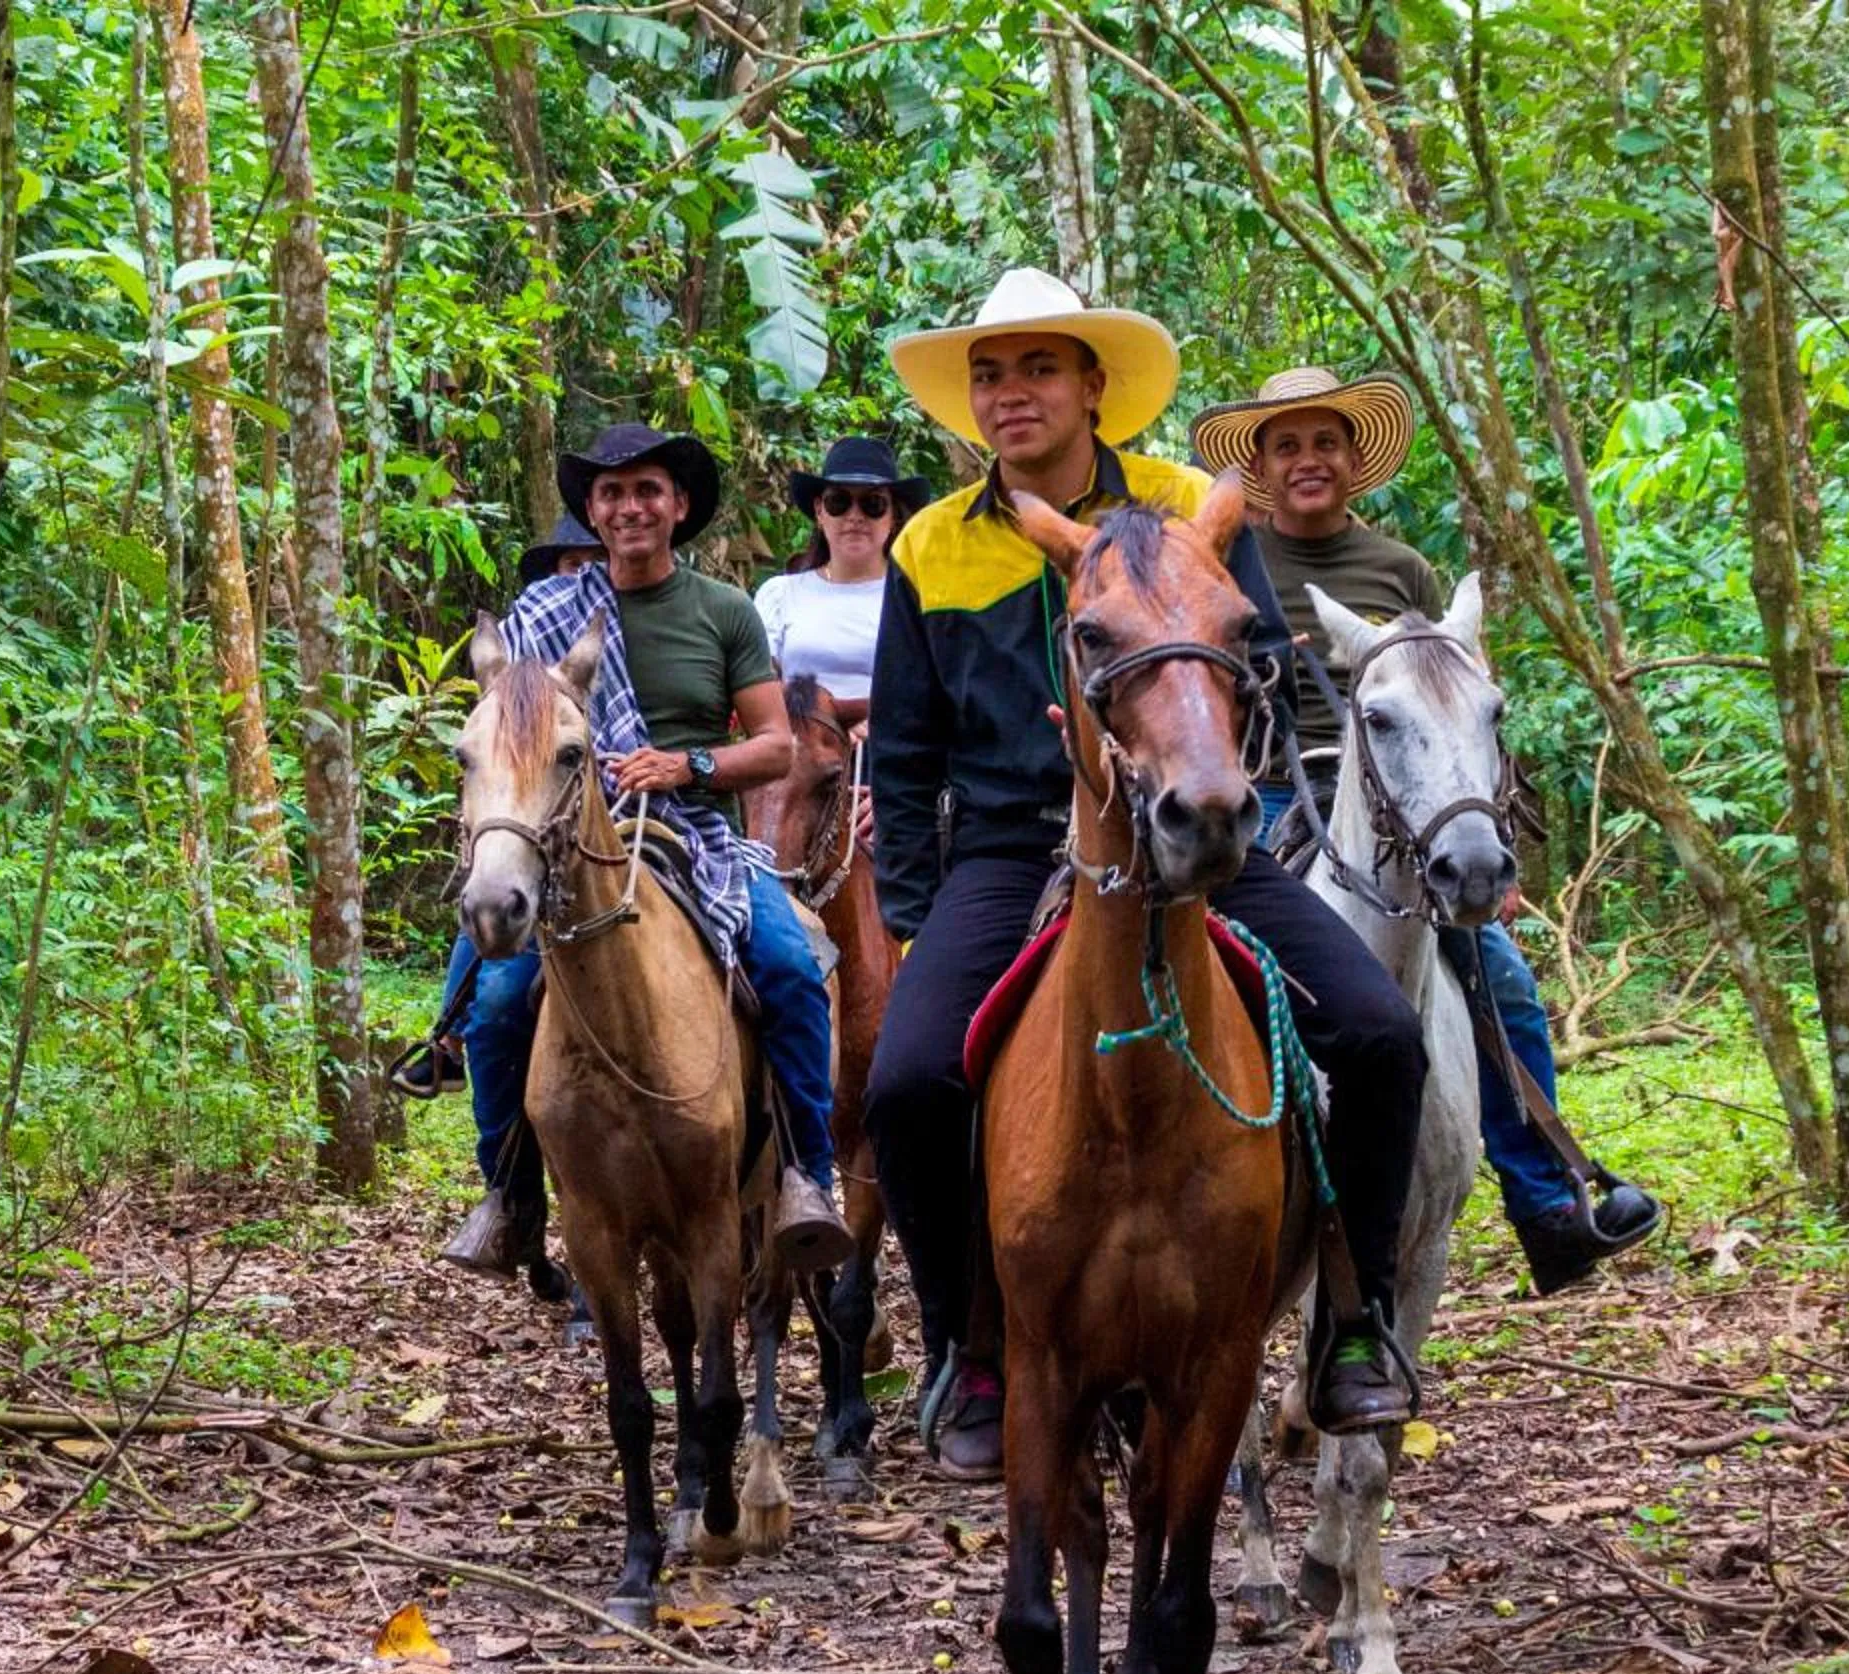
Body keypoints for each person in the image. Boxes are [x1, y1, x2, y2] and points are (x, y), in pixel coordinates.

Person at [865, 268, 1430, 1480]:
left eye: (1037, 368)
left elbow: (1266, 671)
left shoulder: (1187, 510)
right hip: (1013, 843)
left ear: (1093, 387)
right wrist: (911, 915)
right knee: (907, 1083)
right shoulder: (928, 543)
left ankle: (1353, 1324)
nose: (1009, 394)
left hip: (1198, 843)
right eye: (989, 373)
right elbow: (906, 753)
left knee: (1382, 1035)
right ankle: (969, 1343)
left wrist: (1232, 809)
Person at [1190, 365, 1661, 1294]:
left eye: (1326, 441)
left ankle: (1549, 1202)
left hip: (1411, 805)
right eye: (1287, 445)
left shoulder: (1400, 568)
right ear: (1261, 465)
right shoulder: (1235, 564)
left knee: (1508, 986)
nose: (1308, 460)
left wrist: (1481, 836)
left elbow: (1457, 711)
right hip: (1281, 790)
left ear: (1353, 459)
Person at [446, 423, 852, 1281]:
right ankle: (510, 1198)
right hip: (565, 842)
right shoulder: (546, 616)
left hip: (695, 834)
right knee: (493, 1003)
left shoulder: (724, 611)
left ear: (678, 508)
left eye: (647, 491)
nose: (629, 507)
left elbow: (775, 746)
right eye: (611, 493)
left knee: (787, 968)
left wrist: (689, 764)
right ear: (591, 511)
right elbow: (507, 741)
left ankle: (806, 1179)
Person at [402, 513, 609, 1107]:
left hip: (632, 804)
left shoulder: (622, 629)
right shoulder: (530, 634)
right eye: (572, 564)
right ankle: (450, 1041)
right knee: (493, 981)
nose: (582, 575)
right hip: (542, 818)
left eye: (593, 563)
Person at [754, 437, 928, 728]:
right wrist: (828, 721)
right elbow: (757, 688)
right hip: (799, 752)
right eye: (839, 502)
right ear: (820, 511)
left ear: (893, 516)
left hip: (893, 749)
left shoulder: (916, 597)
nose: (854, 516)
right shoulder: (780, 595)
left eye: (872, 504)